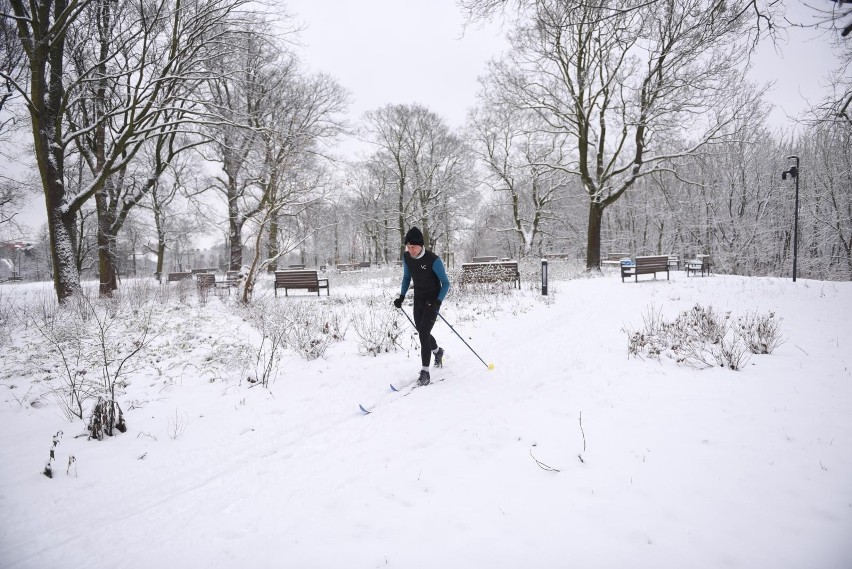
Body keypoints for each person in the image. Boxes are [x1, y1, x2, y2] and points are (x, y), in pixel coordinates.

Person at [392, 227, 450, 386]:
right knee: (422, 331)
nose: (410, 250)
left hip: (433, 300)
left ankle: (425, 372)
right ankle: (438, 352)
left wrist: (437, 302)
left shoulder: (433, 260)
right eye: (408, 247)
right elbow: (406, 277)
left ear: (421, 245)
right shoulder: (407, 257)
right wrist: (402, 296)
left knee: (424, 332)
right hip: (419, 298)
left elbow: (445, 284)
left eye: (413, 247)